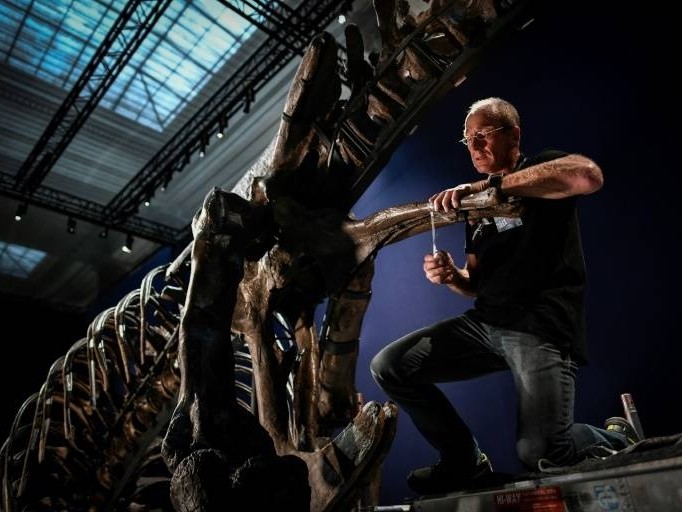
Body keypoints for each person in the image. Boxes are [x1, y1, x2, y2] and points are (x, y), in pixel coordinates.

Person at [370, 97, 638, 496]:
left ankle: (617, 436)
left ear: (514, 134)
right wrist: (450, 276)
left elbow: (588, 175)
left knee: (540, 453)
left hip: (537, 327)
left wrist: (488, 185)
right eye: (467, 140)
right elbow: (474, 283)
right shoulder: (475, 210)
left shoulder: (541, 169)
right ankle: (464, 461)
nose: (474, 146)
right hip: (485, 325)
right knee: (390, 365)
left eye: (482, 135)